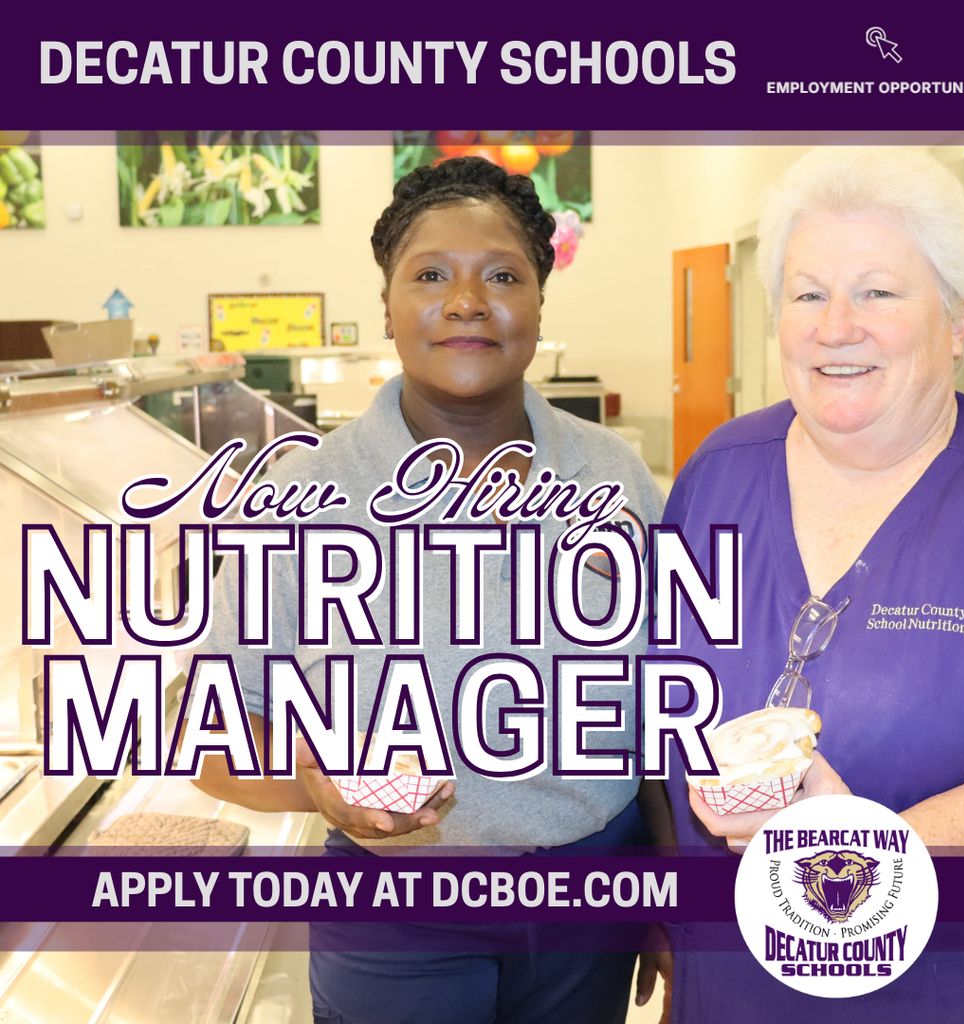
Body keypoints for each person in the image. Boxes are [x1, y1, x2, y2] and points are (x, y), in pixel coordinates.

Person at [187, 156, 669, 1024]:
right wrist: (318, 784)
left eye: (503, 276)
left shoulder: (615, 476)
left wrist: (672, 898)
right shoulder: (305, 496)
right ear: (387, 304)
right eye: (431, 275)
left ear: (540, 302)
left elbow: (665, 705)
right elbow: (212, 735)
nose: (467, 302)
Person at [659, 147, 964, 1022]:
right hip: (726, 985)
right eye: (809, 294)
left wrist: (865, 848)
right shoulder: (719, 470)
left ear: (958, 319)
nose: (836, 328)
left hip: (940, 991)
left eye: (879, 292)